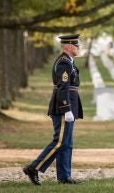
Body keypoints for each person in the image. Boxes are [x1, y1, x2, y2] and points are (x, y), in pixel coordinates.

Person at [23, 34, 83, 185]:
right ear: (68, 46)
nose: (79, 47)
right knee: (59, 142)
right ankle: (33, 168)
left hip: (69, 106)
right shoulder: (64, 62)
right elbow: (63, 87)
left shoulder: (69, 62)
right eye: (77, 45)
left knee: (67, 143)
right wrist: (66, 109)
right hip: (63, 107)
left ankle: (64, 177)